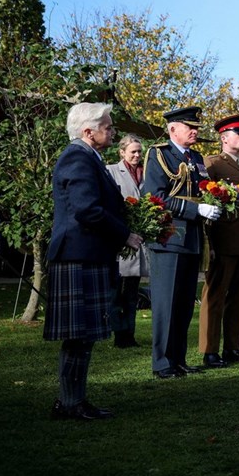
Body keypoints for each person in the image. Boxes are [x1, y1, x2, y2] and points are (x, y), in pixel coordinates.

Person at [45, 103, 143, 419]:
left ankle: (72, 400)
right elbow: (87, 209)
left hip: (86, 255)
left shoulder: (90, 158)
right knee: (79, 336)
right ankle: (70, 402)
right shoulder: (77, 157)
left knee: (83, 336)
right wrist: (124, 234)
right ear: (89, 131)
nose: (112, 132)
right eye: (108, 127)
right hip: (78, 256)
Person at [141, 106, 221, 379]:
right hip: (170, 236)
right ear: (173, 128)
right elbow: (154, 195)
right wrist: (194, 210)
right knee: (166, 303)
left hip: (193, 238)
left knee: (185, 303)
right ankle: (162, 362)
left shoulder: (196, 157)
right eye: (190, 127)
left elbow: (202, 190)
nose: (195, 131)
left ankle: (178, 358)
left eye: (196, 127)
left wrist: (213, 203)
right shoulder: (159, 154)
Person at [198, 114, 239, 368]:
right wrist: (209, 244)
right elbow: (205, 200)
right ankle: (209, 350)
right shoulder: (212, 164)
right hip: (223, 239)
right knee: (215, 296)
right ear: (224, 138)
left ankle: (233, 347)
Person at [105, 134, 148, 348]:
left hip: (139, 238)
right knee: (116, 291)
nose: (137, 155)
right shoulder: (111, 171)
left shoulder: (145, 173)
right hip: (121, 237)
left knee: (132, 291)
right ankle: (118, 333)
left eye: (139, 151)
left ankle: (129, 334)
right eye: (133, 151)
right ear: (122, 152)